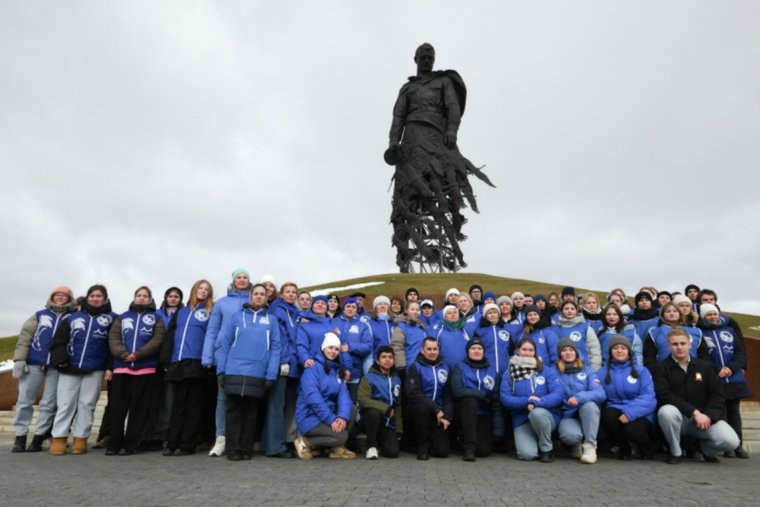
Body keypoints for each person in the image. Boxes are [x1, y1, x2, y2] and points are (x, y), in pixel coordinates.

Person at [387, 43, 493, 272]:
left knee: (444, 187)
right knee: (408, 197)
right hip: (412, 141)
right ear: (415, 59)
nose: (426, 61)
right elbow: (398, 117)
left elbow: (453, 109)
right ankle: (406, 260)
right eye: (423, 57)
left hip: (437, 139)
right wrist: (393, 144)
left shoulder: (443, 82)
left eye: (430, 57)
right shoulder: (407, 88)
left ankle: (449, 251)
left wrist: (451, 132)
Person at [48, 284, 117, 456]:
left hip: (95, 368)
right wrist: (61, 359)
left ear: (105, 299)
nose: (95, 298)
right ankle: (59, 438)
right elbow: (58, 341)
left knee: (87, 405)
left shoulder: (112, 319)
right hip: (70, 367)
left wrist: (109, 366)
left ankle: (81, 438)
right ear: (87, 298)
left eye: (99, 296)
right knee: (65, 404)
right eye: (92, 295)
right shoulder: (72, 318)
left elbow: (113, 345)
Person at [653, 328, 740, 463]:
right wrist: (694, 412)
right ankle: (676, 452)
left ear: (690, 345)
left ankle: (703, 448)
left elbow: (717, 395)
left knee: (731, 441)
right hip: (678, 419)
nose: (679, 347)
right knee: (666, 411)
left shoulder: (705, 366)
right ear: (668, 346)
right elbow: (665, 395)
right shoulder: (661, 367)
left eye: (683, 343)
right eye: (675, 344)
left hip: (703, 420)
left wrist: (708, 416)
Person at [216, 284, 281, 461]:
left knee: (251, 412)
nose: (259, 296)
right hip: (234, 370)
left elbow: (276, 348)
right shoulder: (237, 317)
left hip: (258, 372)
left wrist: (271, 374)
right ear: (250, 296)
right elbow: (225, 344)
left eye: (262, 294)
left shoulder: (272, 320)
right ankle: (233, 448)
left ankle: (246, 447)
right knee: (233, 410)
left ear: (267, 298)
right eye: (256, 294)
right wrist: (221, 370)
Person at [11, 286, 77, 452]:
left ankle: (39, 437)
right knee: (25, 400)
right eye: (57, 295)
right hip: (34, 362)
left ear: (70, 298)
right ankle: (20, 436)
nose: (60, 297)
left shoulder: (73, 317)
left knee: (49, 403)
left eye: (64, 295)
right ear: (52, 297)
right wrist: (20, 359)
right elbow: (25, 336)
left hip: (57, 366)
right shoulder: (40, 315)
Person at [105, 286, 165, 456]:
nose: (141, 298)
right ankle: (114, 443)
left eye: (145, 296)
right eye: (139, 295)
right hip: (122, 368)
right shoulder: (122, 317)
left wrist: (138, 355)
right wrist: (124, 354)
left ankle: (129, 444)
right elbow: (114, 337)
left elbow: (157, 340)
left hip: (145, 369)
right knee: (117, 408)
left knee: (138, 410)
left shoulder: (157, 318)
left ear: (150, 299)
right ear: (134, 297)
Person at [201, 268, 253, 457]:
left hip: (247, 356)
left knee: (246, 400)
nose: (241, 280)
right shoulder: (221, 303)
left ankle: (242, 440)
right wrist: (208, 356)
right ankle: (220, 438)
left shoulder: (253, 301)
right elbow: (212, 331)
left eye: (245, 277)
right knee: (222, 399)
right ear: (233, 280)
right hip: (225, 355)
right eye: (238, 277)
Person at [161, 279, 215, 456]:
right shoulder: (182, 311)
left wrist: (209, 360)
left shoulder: (209, 311)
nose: (203, 291)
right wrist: (166, 360)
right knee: (178, 405)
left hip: (197, 361)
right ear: (194, 290)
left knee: (194, 405)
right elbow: (170, 335)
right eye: (200, 288)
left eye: (206, 289)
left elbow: (211, 336)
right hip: (178, 361)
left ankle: (187, 443)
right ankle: (172, 441)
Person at [698, 304, 751, 458]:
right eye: (709, 315)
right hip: (715, 379)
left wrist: (730, 368)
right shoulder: (701, 333)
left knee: (734, 412)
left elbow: (740, 353)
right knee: (721, 413)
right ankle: (728, 445)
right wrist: (717, 370)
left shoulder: (730, 331)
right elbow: (703, 356)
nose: (713, 317)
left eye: (715, 314)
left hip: (734, 379)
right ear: (703, 317)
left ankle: (738, 445)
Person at [293, 333, 356, 460]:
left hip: (328, 415)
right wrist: (331, 419)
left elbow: (344, 396)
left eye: (337, 349)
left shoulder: (338, 371)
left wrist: (342, 417)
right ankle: (305, 443)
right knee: (342, 436)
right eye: (330, 347)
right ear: (323, 348)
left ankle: (335, 448)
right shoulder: (312, 369)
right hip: (310, 417)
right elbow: (313, 399)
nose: (333, 351)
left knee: (352, 410)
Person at [500, 337, 562, 462]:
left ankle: (546, 449)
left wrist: (537, 403)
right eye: (524, 349)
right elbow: (505, 398)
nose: (528, 353)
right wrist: (526, 401)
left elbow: (558, 394)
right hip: (522, 419)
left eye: (531, 350)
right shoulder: (509, 373)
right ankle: (535, 440)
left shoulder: (546, 370)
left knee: (537, 413)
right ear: (518, 350)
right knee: (526, 455)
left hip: (545, 415)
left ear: (535, 352)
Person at [597, 335, 658, 460]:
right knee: (608, 416)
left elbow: (649, 397)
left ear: (629, 351)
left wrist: (630, 413)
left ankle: (646, 449)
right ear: (610, 352)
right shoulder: (602, 372)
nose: (619, 351)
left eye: (623, 348)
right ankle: (624, 448)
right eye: (615, 348)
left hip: (641, 412)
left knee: (632, 431)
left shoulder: (641, 371)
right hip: (615, 408)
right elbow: (598, 394)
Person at [263, 281, 301, 458]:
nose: (291, 294)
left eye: (294, 292)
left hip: (294, 365)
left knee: (287, 405)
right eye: (288, 292)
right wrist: (283, 360)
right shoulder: (278, 311)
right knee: (276, 406)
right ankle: (274, 446)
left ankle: (274, 442)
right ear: (281, 294)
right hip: (283, 364)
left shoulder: (295, 313)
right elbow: (280, 338)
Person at [554, 339, 606, 464]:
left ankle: (590, 447)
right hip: (566, 413)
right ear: (559, 354)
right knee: (570, 436)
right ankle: (576, 444)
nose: (568, 353)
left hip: (585, 411)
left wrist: (578, 398)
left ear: (576, 352)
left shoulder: (587, 370)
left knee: (590, 405)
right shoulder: (553, 371)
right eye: (564, 350)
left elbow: (600, 393)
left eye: (571, 350)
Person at [451, 338, 502, 461]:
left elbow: (495, 401)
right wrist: (482, 395)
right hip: (463, 411)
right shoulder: (460, 367)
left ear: (484, 351)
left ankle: (462, 440)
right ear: (467, 351)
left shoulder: (492, 371)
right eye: (473, 348)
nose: (476, 351)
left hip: (484, 413)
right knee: (471, 401)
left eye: (479, 348)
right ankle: (469, 448)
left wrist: (498, 430)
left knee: (483, 451)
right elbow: (457, 390)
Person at [404, 337, 453, 460]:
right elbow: (413, 393)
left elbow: (448, 394)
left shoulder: (446, 367)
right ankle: (422, 447)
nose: (432, 352)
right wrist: (436, 409)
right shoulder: (414, 367)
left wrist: (447, 416)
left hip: (439, 415)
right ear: (422, 350)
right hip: (419, 413)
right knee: (422, 407)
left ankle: (431, 441)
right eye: (429, 349)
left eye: (435, 349)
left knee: (442, 452)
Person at [358, 346, 403, 459]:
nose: (387, 360)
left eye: (390, 357)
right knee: (374, 413)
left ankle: (380, 445)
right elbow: (363, 400)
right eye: (383, 357)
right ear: (377, 360)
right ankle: (371, 447)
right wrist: (385, 409)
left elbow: (398, 405)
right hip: (370, 419)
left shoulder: (397, 379)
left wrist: (398, 429)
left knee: (393, 452)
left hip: (388, 423)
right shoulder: (368, 378)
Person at [644, 302, 706, 371]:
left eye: (675, 311)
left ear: (680, 313)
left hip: (693, 370)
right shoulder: (654, 332)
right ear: (662, 315)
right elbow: (649, 356)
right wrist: (655, 371)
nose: (672, 313)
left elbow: (704, 354)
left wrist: (702, 370)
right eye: (668, 311)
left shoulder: (696, 332)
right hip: (665, 372)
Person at [553, 301, 602, 370]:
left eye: (572, 309)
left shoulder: (586, 327)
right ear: (562, 311)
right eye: (566, 309)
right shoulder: (554, 329)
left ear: (576, 311)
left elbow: (594, 350)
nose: (569, 311)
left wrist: (594, 369)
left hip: (583, 369)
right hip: (561, 369)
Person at [296, 295, 337, 370]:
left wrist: (346, 367)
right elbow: (301, 345)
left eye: (323, 303)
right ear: (312, 307)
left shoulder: (334, 324)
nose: (320, 304)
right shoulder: (304, 325)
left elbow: (341, 346)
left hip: (333, 367)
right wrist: (305, 359)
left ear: (327, 308)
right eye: (317, 302)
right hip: (313, 366)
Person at [472, 303, 512, 375]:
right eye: (489, 313)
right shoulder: (479, 331)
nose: (493, 315)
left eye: (495, 312)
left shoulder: (506, 331)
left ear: (498, 314)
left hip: (505, 369)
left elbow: (511, 350)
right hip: (487, 369)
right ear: (485, 316)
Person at [390, 300, 427, 372]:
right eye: (412, 309)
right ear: (406, 310)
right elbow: (397, 346)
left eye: (417, 309)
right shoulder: (401, 327)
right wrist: (401, 366)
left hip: (421, 367)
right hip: (408, 367)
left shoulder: (421, 328)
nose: (415, 312)